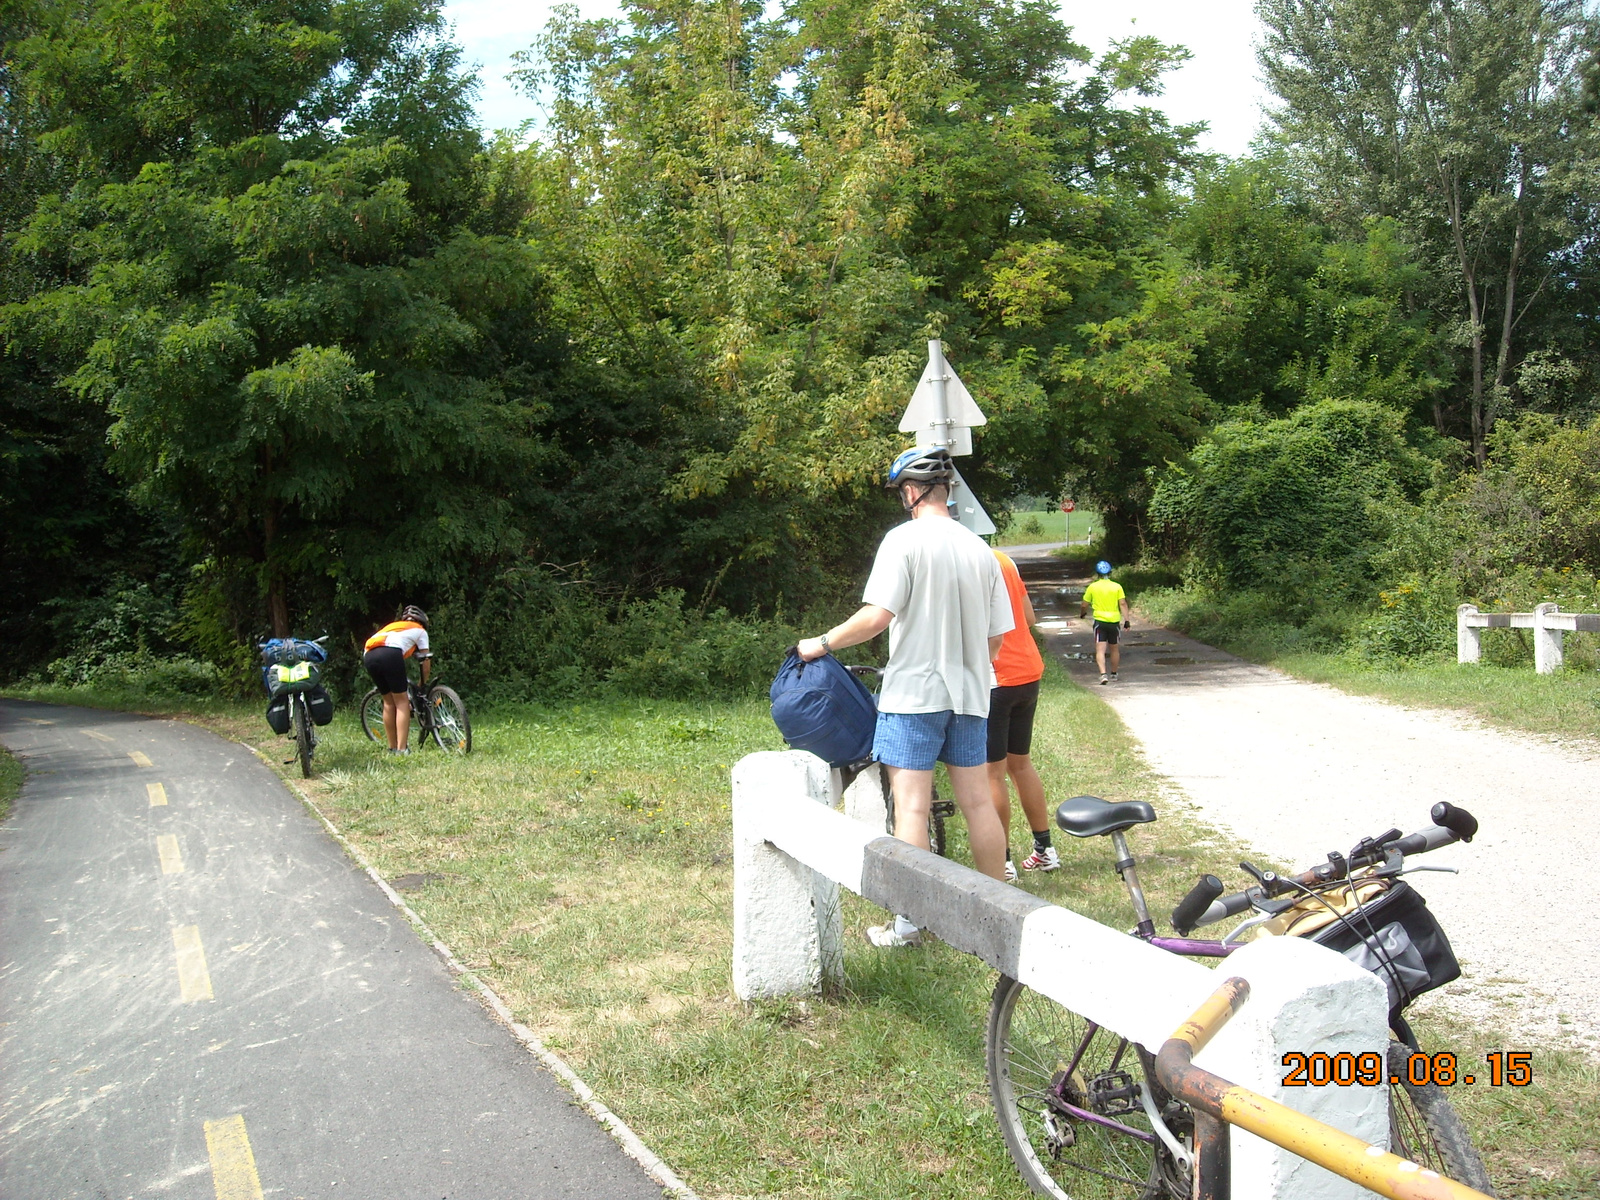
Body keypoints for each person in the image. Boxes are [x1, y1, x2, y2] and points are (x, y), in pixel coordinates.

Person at [797, 447, 1014, 948]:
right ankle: (999, 921)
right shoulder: (980, 549)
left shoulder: (904, 541)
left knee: (912, 808)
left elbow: (877, 616)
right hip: (971, 695)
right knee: (978, 802)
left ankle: (912, 924)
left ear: (911, 491)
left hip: (914, 693)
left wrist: (820, 644)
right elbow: (996, 640)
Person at [988, 550, 1058, 880]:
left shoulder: (964, 561)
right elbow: (1029, 617)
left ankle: (1002, 862)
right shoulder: (1004, 560)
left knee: (992, 774)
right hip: (1028, 672)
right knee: (1021, 764)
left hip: (996, 677)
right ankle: (1045, 851)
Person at [364, 605, 432, 753]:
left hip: (369, 654)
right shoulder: (420, 630)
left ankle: (392, 747)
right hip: (390, 653)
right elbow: (425, 663)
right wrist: (421, 684)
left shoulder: (393, 626)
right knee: (402, 702)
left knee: (388, 702)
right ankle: (402, 750)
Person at [1079, 561, 1131, 684]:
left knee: (1100, 650)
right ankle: (1114, 674)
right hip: (1114, 621)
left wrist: (1082, 613)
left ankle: (1103, 674)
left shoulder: (1093, 587)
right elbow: (1122, 603)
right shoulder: (1117, 586)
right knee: (1114, 649)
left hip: (1100, 622)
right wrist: (1127, 620)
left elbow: (1084, 604)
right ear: (1110, 572)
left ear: (1097, 573)